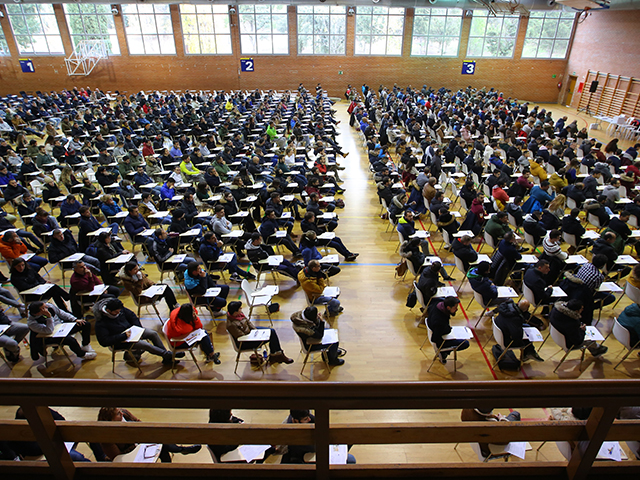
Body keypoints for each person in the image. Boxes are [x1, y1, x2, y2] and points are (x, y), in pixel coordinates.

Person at [93, 297, 180, 366]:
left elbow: (132, 316)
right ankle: (168, 355)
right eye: (116, 312)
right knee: (146, 345)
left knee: (153, 334)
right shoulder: (101, 323)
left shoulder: (119, 309)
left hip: (132, 332)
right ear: (108, 311)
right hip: (120, 341)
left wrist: (138, 329)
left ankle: (166, 358)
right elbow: (104, 341)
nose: (119, 313)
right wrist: (123, 336)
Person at [97, 407, 200, 462]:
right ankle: (180, 450)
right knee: (161, 445)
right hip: (130, 454)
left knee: (161, 445)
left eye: (120, 411)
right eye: (118, 414)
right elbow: (118, 456)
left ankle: (170, 465)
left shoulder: (125, 413)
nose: (122, 413)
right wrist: (136, 443)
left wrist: (144, 434)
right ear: (110, 420)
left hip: (140, 441)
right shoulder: (107, 436)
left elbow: (138, 422)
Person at [226, 301, 293, 365]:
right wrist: (256, 336)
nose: (241, 309)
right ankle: (277, 356)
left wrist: (256, 331)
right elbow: (241, 337)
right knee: (270, 336)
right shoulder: (231, 325)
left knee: (271, 331)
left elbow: (248, 322)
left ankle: (275, 354)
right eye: (239, 308)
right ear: (235, 312)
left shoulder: (239, 315)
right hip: (245, 342)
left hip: (251, 333)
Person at [27, 301, 96, 362]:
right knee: (71, 340)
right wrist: (49, 317)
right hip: (49, 336)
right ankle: (82, 354)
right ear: (39, 312)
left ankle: (85, 345)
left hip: (61, 327)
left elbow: (61, 313)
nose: (47, 307)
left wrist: (75, 319)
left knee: (85, 324)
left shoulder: (49, 306)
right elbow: (49, 330)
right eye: (44, 307)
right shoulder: (32, 323)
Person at [281, 409, 356, 464]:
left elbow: (319, 422)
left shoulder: (299, 413)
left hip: (315, 448)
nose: (309, 419)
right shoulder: (293, 434)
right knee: (351, 460)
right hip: (306, 457)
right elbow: (314, 448)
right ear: (295, 421)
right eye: (306, 419)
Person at [426, 296, 469, 364]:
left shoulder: (437, 304)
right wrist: (447, 330)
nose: (457, 309)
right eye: (455, 308)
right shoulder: (439, 322)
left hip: (436, 331)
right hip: (440, 341)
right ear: (448, 307)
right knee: (465, 343)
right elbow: (435, 338)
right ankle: (444, 352)